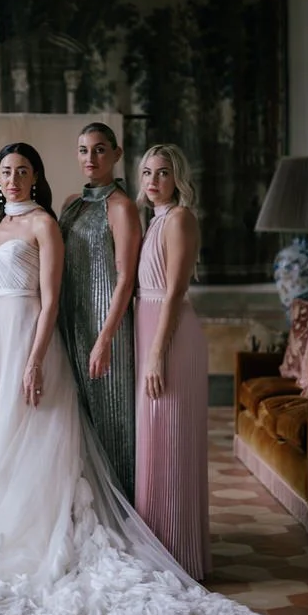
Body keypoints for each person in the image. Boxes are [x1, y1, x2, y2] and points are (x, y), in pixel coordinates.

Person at [0, 142, 271, 615]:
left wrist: (36, 358)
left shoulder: (45, 223)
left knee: (28, 431)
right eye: (5, 171)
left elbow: (53, 297)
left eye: (22, 171)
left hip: (27, 336)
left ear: (35, 177)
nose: (12, 179)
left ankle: (32, 534)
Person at [135, 144, 210, 581]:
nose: (153, 181)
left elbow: (176, 293)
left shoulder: (180, 219)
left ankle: (181, 556)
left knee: (171, 438)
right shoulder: (155, 222)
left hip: (172, 339)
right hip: (152, 333)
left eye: (162, 173)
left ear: (177, 179)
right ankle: (159, 547)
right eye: (147, 172)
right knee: (154, 441)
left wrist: (157, 355)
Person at [59, 122, 141, 502]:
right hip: (70, 319)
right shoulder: (71, 204)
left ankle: (123, 513)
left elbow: (125, 279)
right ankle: (88, 510)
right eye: (83, 150)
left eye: (99, 150)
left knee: (111, 418)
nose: (90, 158)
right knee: (78, 419)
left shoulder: (121, 207)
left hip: (105, 323)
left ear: (116, 154)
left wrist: (105, 338)